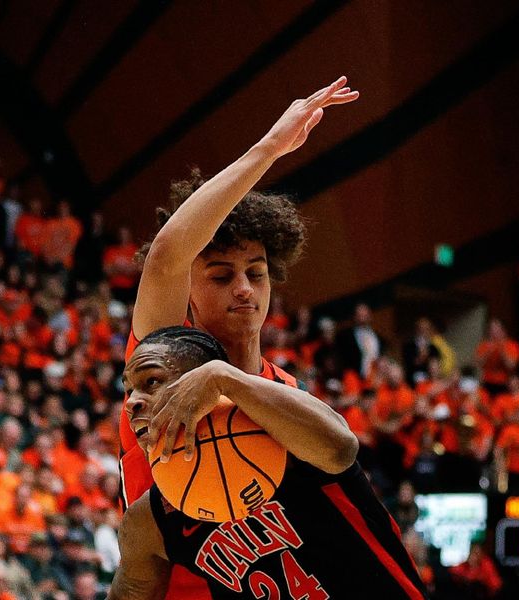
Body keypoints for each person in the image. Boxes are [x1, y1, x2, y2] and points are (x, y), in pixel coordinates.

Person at [117, 77, 365, 598]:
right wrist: (270, 147)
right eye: (221, 275)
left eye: (256, 272)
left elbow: (343, 453)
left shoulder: (284, 395)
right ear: (189, 288)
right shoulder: (162, 363)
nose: (244, 290)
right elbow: (166, 256)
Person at [110, 326, 427, 599]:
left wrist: (225, 378)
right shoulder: (151, 520)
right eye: (129, 389)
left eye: (151, 381)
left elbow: (342, 447)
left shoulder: (287, 436)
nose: (132, 401)